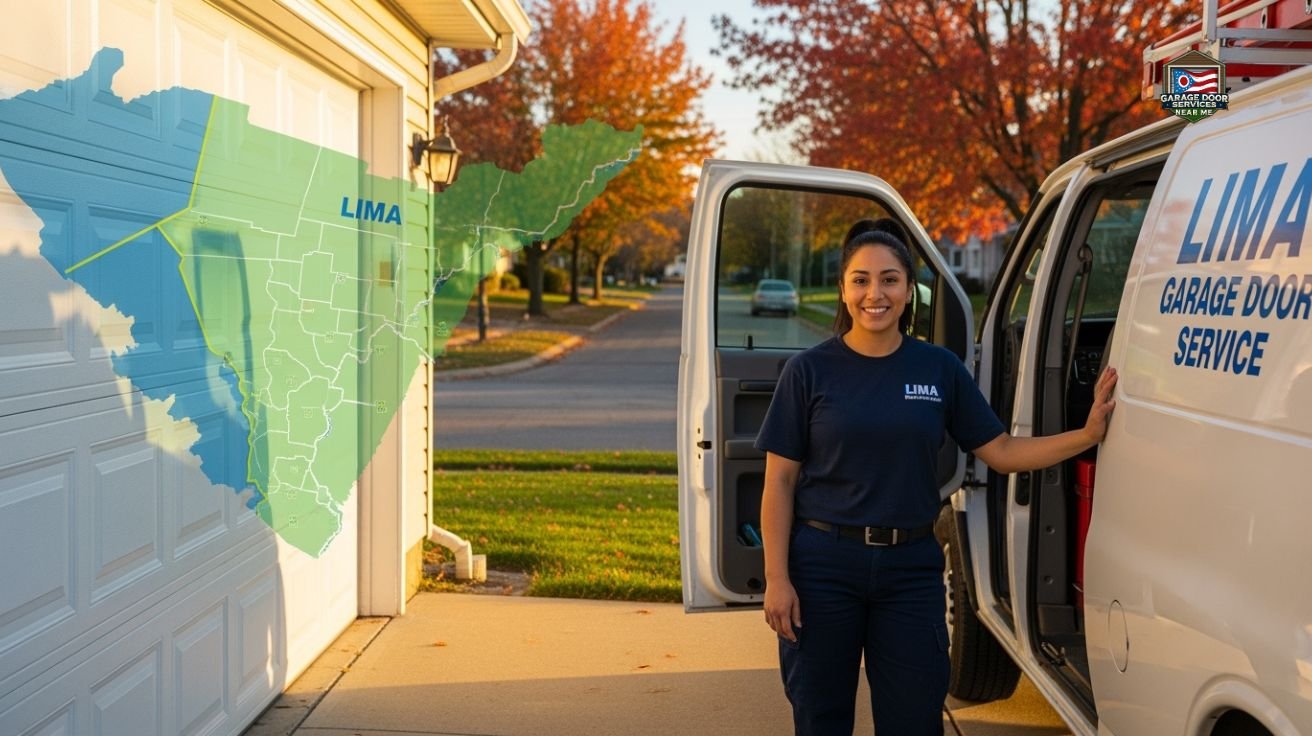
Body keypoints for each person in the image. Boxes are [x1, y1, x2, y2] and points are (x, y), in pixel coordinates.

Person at [754, 219, 1117, 736]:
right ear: (843, 288)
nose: (874, 293)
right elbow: (779, 484)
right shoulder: (808, 372)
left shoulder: (939, 369)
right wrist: (777, 579)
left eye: (888, 280)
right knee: (819, 715)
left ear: (909, 291)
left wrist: (1086, 435)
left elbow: (1003, 451)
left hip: (910, 570)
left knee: (915, 718)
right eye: (860, 280)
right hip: (823, 567)